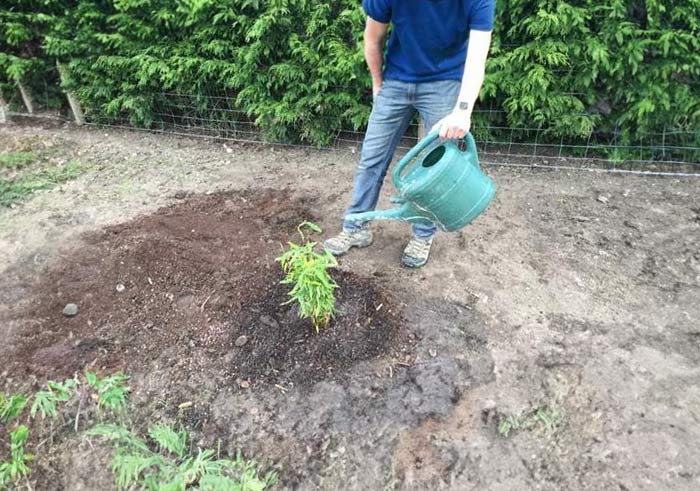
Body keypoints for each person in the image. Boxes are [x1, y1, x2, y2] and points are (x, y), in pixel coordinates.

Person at [323, 0, 495, 268]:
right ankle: (356, 226)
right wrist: (378, 84)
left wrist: (462, 110)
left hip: (445, 83)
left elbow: (477, 58)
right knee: (371, 159)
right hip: (397, 81)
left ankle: (422, 235)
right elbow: (372, 38)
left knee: (435, 169)